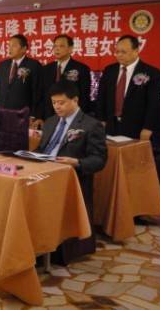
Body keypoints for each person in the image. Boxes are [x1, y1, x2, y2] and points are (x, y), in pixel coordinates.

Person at [36, 82, 107, 264]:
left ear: (75, 100)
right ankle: (37, 246)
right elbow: (42, 150)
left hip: (71, 177)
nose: (57, 107)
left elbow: (99, 160)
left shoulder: (91, 125)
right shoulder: (50, 122)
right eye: (54, 103)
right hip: (44, 171)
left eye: (61, 103)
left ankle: (57, 250)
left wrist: (77, 162)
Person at [96, 34, 160, 204]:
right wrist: (101, 120)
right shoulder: (110, 70)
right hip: (112, 127)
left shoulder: (151, 73)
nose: (119, 55)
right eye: (117, 51)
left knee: (137, 168)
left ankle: (143, 205)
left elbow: (155, 104)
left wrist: (148, 128)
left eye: (124, 52)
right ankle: (116, 203)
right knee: (114, 166)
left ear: (136, 51)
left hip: (138, 128)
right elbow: (101, 97)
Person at [0, 34, 42, 124]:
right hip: (1, 112)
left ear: (24, 49)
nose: (10, 49)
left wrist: (33, 115)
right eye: (9, 46)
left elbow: (37, 92)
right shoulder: (3, 64)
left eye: (14, 46)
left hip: (21, 114)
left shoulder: (33, 65)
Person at [42, 34, 91, 120]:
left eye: (61, 46)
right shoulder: (46, 69)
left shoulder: (81, 69)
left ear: (70, 49)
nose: (57, 49)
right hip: (49, 116)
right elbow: (42, 94)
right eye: (55, 46)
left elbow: (84, 96)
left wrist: (79, 117)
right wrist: (40, 116)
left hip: (71, 116)